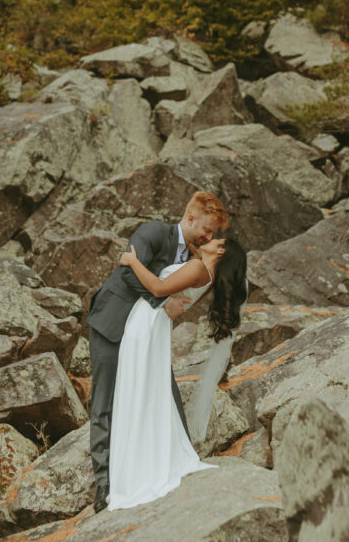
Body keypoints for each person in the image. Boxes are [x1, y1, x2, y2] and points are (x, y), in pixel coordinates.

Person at [87, 192, 228, 513]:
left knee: (165, 391)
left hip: (146, 337)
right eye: (206, 229)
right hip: (112, 325)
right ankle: (105, 484)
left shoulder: (193, 255)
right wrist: (164, 300)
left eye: (213, 233)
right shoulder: (151, 232)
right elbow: (126, 273)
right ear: (190, 218)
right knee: (104, 401)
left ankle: (176, 457)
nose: (210, 237)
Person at [106, 235, 247, 511]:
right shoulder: (203, 269)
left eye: (217, 238)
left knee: (139, 391)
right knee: (147, 392)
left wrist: (134, 262)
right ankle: (145, 461)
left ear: (220, 251)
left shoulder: (198, 269)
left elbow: (158, 288)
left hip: (148, 323)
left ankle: (137, 471)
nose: (211, 236)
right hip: (152, 325)